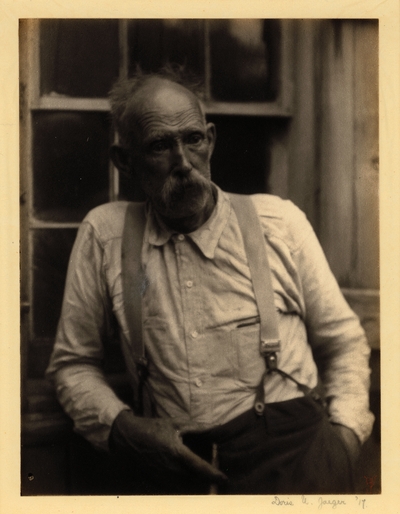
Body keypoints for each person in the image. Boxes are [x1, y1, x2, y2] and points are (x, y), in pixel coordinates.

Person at [46, 67, 374, 495]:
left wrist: (344, 443)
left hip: (297, 465)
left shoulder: (279, 223)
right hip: (174, 472)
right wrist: (124, 427)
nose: (183, 162)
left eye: (193, 139)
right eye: (160, 146)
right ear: (124, 161)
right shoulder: (105, 235)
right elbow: (73, 365)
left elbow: (343, 342)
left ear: (211, 140)